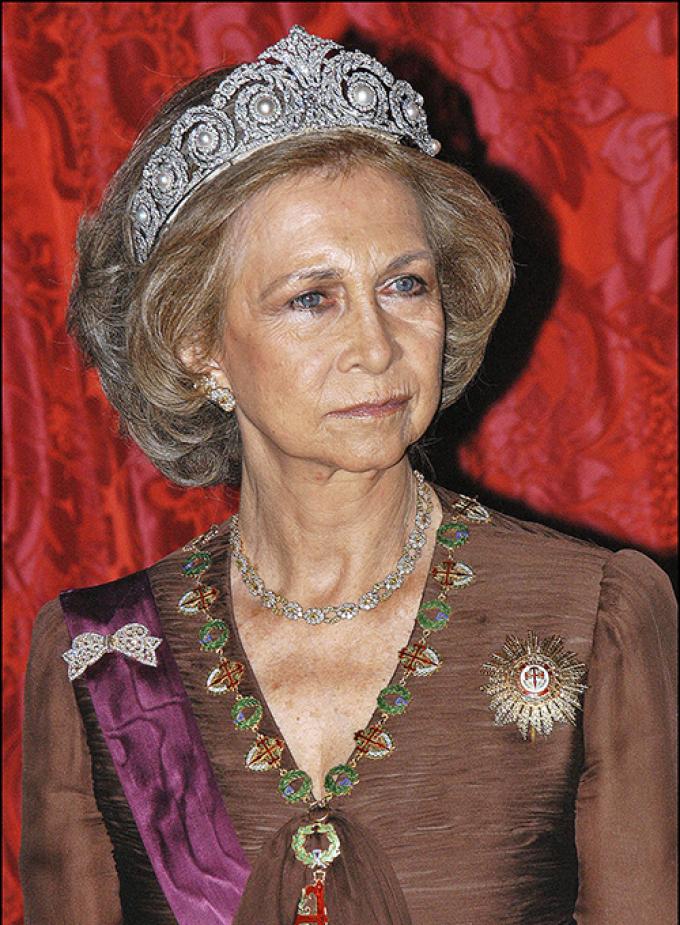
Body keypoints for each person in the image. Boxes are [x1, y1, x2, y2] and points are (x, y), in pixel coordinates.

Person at [19, 25, 676, 925]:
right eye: (312, 298)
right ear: (198, 342)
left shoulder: (592, 618)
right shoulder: (105, 659)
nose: (376, 346)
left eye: (405, 285)